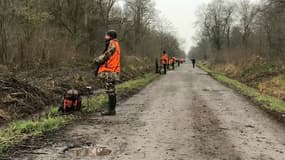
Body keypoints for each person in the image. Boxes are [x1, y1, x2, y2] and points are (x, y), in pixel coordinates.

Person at [93, 30, 120, 116]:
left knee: (110, 91)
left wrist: (97, 60)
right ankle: (112, 110)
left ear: (110, 36)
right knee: (112, 91)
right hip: (113, 70)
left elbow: (107, 54)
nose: (105, 37)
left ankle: (111, 110)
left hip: (109, 71)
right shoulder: (115, 43)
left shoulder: (112, 43)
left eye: (106, 35)